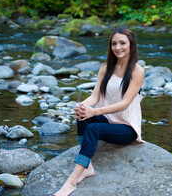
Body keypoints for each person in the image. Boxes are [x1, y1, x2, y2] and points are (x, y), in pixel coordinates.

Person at [54, 26, 145, 196]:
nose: (118, 47)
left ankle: (71, 182)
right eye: (114, 43)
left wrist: (95, 112)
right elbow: (95, 96)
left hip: (126, 128)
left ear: (131, 45)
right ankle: (87, 167)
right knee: (82, 116)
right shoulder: (106, 68)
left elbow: (125, 103)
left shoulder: (137, 71)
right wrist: (82, 106)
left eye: (122, 43)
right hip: (108, 120)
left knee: (92, 127)